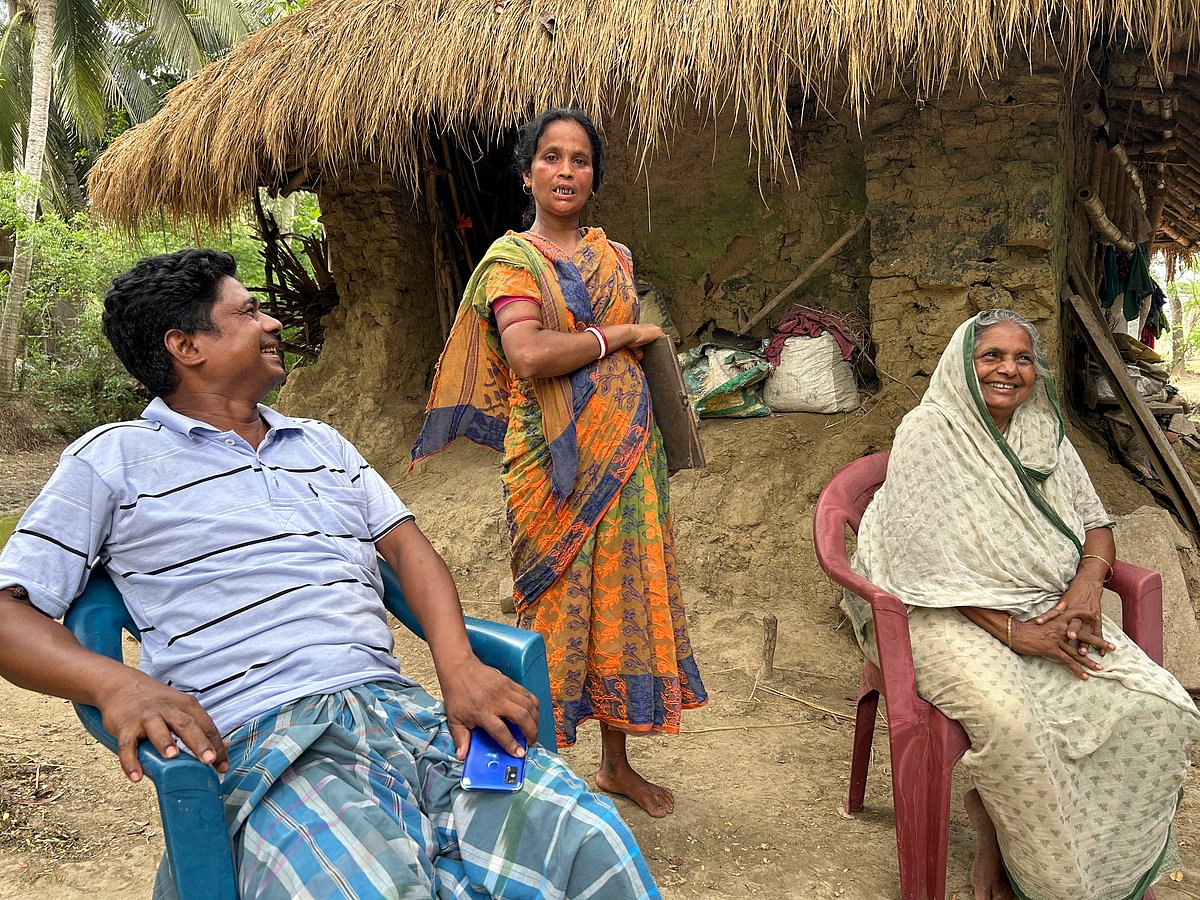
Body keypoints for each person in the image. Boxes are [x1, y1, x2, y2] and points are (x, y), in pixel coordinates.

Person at [0, 249, 661, 899]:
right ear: (186, 346)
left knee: (585, 840)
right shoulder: (112, 460)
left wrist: (456, 666)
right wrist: (116, 684)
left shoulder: (320, 444)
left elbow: (408, 552)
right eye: (248, 312)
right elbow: (9, 612)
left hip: (412, 723)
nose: (272, 324)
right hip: (272, 746)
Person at [841, 308, 1200, 900]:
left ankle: (1105, 870)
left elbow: (1096, 524)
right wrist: (1015, 633)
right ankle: (1019, 863)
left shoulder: (1044, 431)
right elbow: (922, 567)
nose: (1009, 370)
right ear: (963, 364)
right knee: (1015, 724)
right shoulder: (931, 433)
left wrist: (1086, 588)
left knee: (1154, 710)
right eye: (992, 357)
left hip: (1045, 603)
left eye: (1022, 358)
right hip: (936, 614)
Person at [413, 108, 706, 818]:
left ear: (593, 177)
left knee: (622, 604)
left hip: (630, 453)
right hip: (553, 465)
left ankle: (615, 766)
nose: (567, 170)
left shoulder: (617, 256)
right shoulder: (512, 262)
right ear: (528, 174)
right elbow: (530, 355)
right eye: (552, 157)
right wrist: (624, 334)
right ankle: (514, 774)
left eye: (580, 159)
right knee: (549, 607)